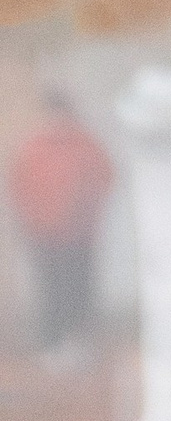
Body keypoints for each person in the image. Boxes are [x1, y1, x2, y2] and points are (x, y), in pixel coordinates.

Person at [9, 90, 114, 355]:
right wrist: (31, 222)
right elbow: (19, 188)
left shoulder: (85, 144)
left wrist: (87, 214)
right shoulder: (34, 147)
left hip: (79, 237)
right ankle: (53, 346)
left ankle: (79, 344)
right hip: (44, 236)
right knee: (51, 292)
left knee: (78, 290)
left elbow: (104, 178)